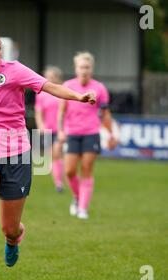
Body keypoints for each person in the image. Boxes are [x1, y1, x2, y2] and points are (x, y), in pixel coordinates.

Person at [0, 28, 96, 280]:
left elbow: (48, 86)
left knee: (10, 227)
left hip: (17, 153)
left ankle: (14, 239)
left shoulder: (14, 70)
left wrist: (79, 97)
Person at [57, 52, 117, 220]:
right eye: (82, 67)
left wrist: (111, 134)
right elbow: (61, 112)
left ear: (92, 69)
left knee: (86, 170)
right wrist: (61, 130)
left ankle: (83, 208)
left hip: (91, 133)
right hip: (73, 134)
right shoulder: (68, 85)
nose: (84, 70)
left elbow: (105, 114)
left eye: (87, 67)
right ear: (76, 68)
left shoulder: (99, 88)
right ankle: (77, 197)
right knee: (69, 171)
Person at [34, 66, 65, 192]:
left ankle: (62, 181)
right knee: (53, 155)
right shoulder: (41, 94)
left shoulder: (63, 91)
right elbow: (38, 112)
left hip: (62, 129)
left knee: (58, 154)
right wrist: (40, 125)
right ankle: (58, 182)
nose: (48, 79)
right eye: (47, 76)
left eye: (51, 76)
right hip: (48, 129)